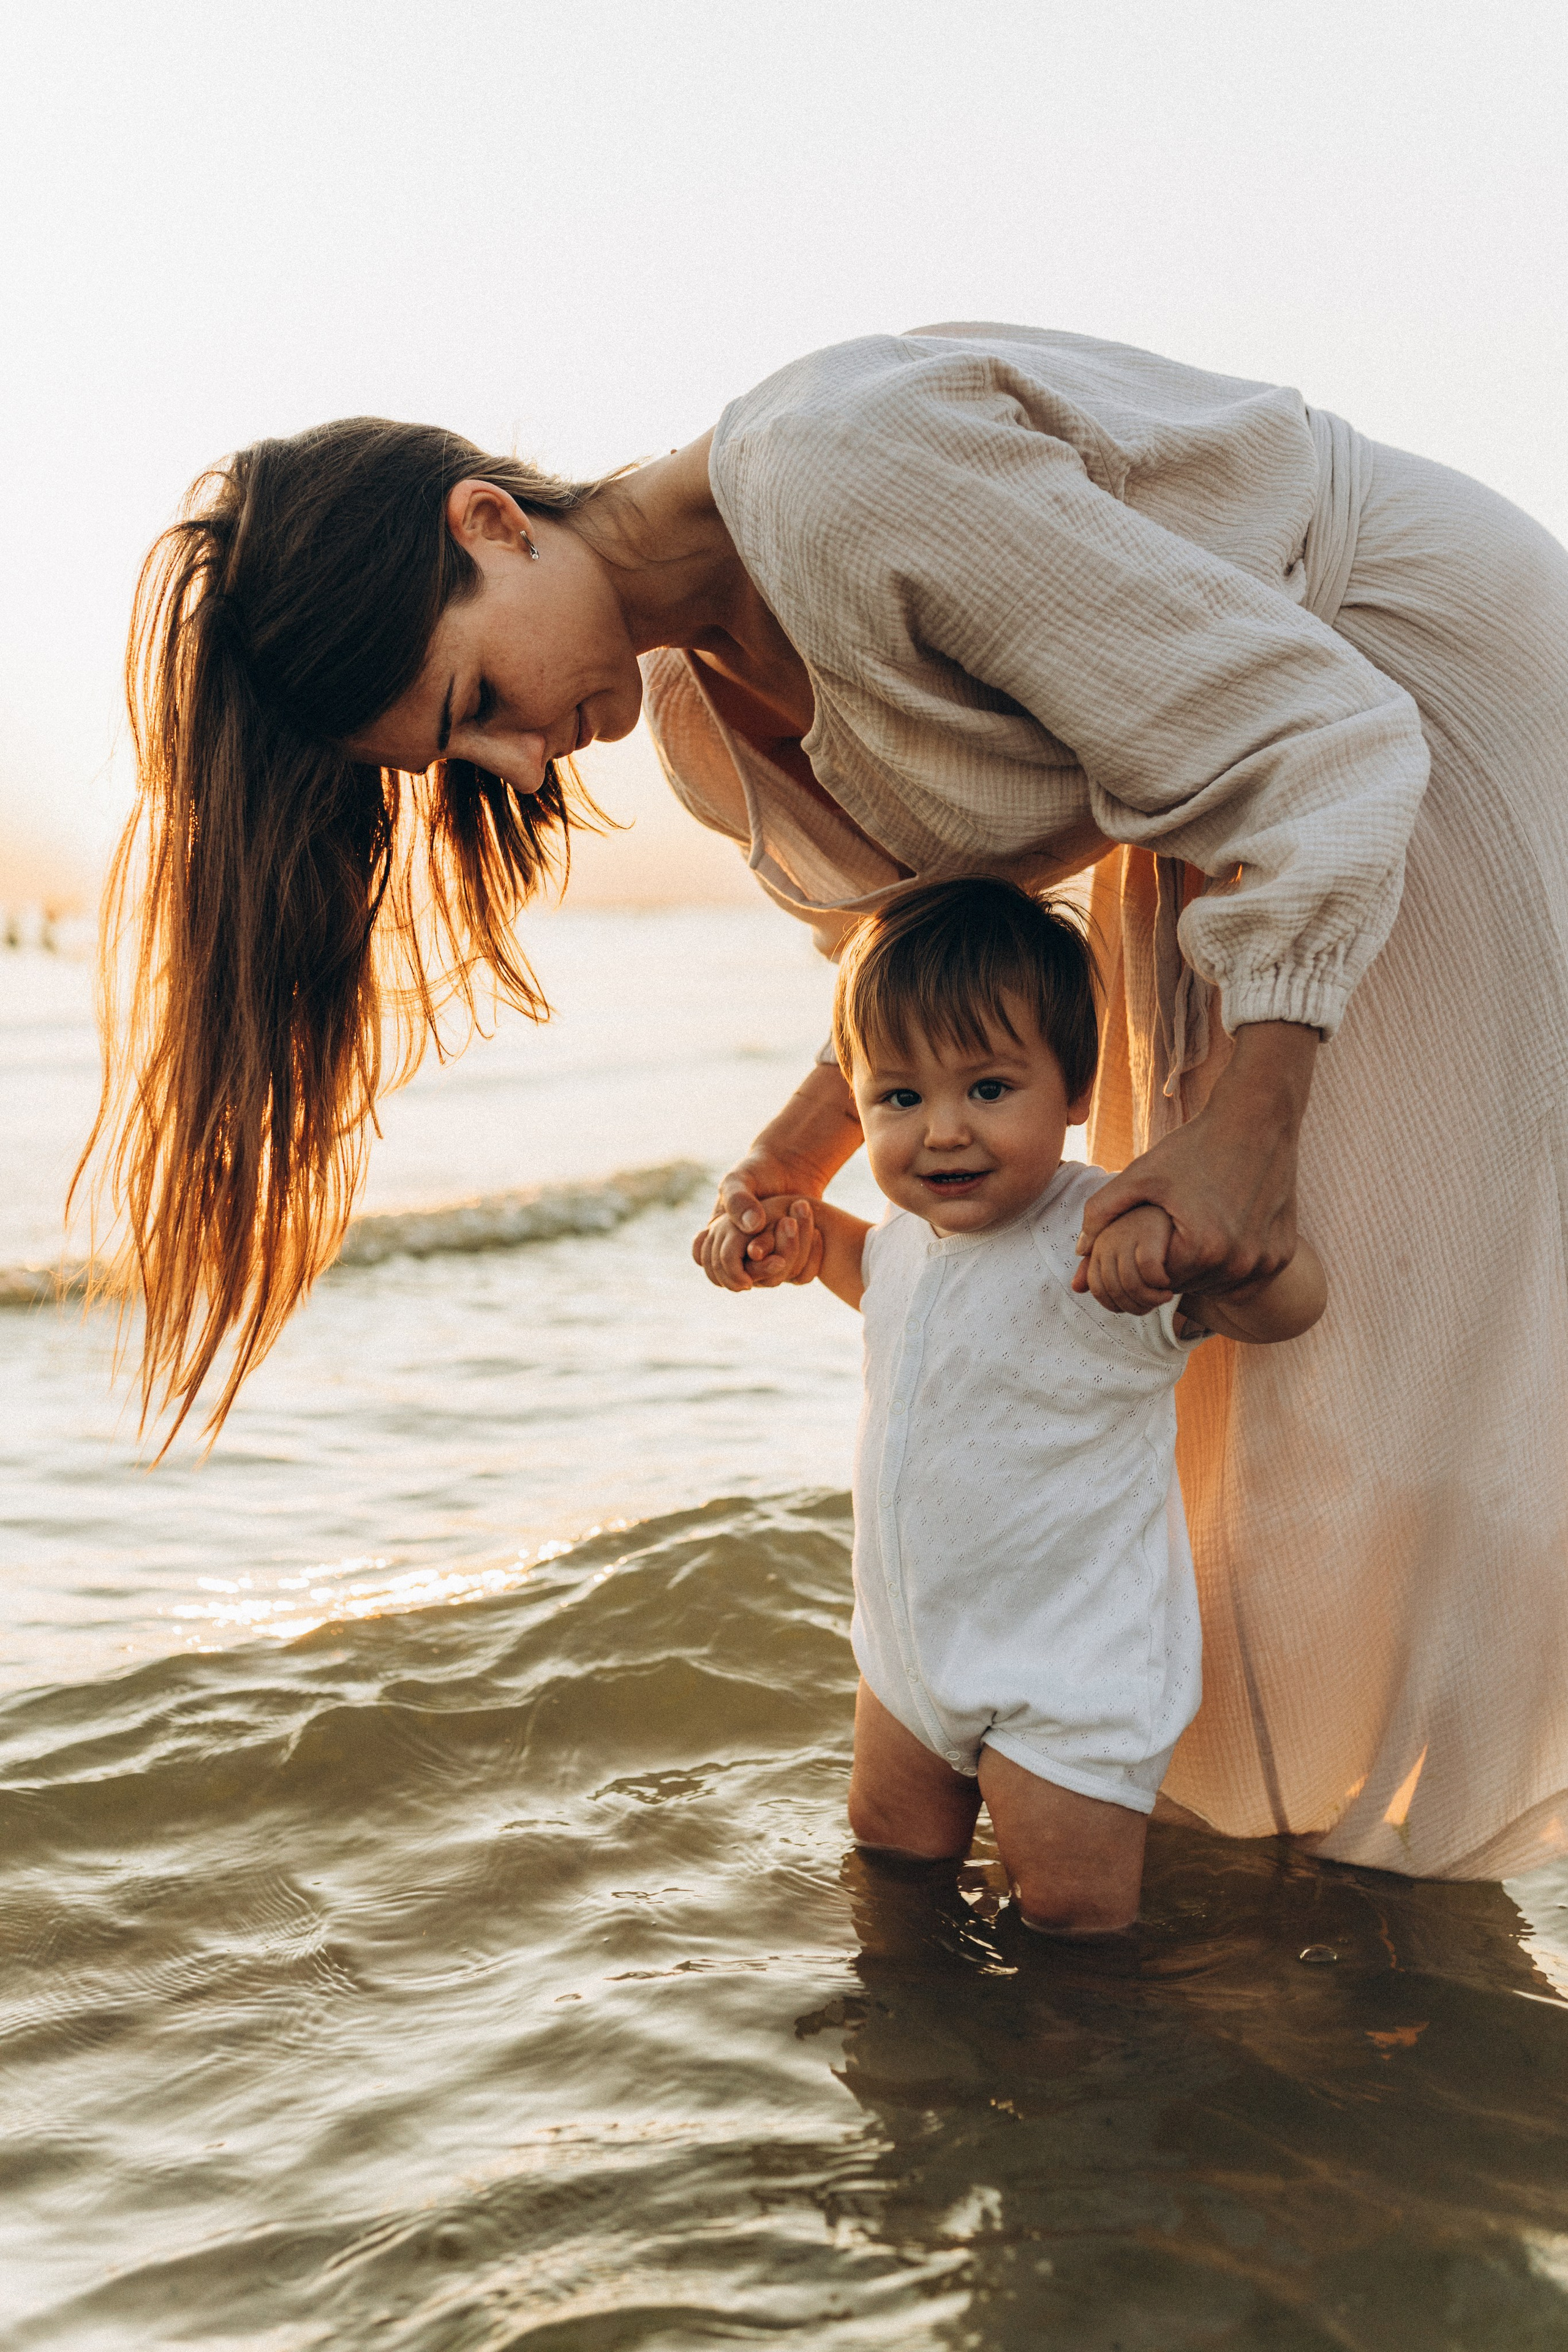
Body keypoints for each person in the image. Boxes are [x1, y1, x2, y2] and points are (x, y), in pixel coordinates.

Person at [91, 322, 1568, 1878]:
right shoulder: (691, 726)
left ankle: (1387, 1905)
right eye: (461, 755)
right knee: (1222, 1428)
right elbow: (913, 972)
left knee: (1353, 1381)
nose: (518, 768)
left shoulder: (841, 469)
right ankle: (1290, 1910)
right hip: (1233, 820)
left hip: (1405, 712)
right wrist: (780, 1165)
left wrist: (1251, 1129)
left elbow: (1317, 743)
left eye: (477, 701)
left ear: (490, 521)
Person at [760, 875, 1324, 1933]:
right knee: (890, 1869)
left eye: (988, 1088)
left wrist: (1208, 1254)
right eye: (899, 1099)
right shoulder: (909, 1242)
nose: (942, 1132)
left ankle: (1084, 2038)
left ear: (1073, 1086)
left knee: (1073, 1924)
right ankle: (915, 2029)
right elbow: (862, 1268)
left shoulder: (1106, 1227)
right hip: (910, 1656)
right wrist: (785, 1238)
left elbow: (1291, 1308)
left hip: (1067, 1672)